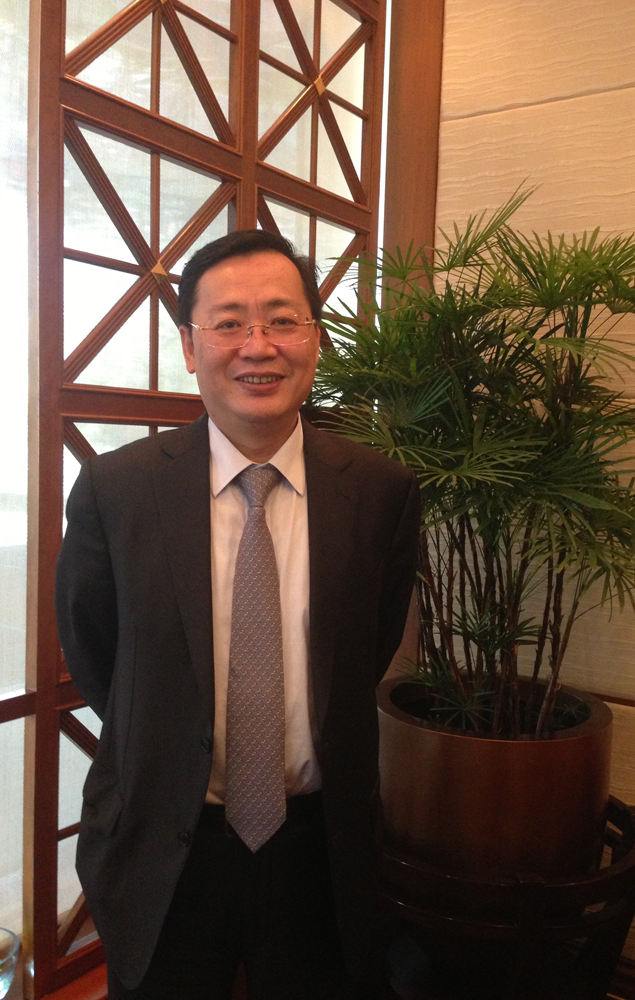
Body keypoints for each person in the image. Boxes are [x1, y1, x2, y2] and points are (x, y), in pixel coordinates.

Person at [55, 229, 420, 1000]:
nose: (259, 346)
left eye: (282, 321)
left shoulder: (380, 491)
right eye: (229, 324)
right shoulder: (117, 491)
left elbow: (368, 648)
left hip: (320, 848)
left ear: (314, 340)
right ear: (191, 347)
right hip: (166, 840)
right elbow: (95, 651)